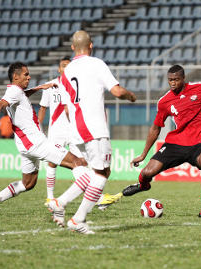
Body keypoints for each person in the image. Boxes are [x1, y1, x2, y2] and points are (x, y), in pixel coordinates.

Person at [0, 62, 106, 234]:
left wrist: (39, 88)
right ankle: (70, 203)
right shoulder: (13, 91)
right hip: (37, 143)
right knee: (77, 162)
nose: (29, 77)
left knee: (28, 183)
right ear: (15, 77)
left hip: (25, 146)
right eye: (26, 75)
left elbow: (22, 95)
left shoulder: (17, 92)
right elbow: (1, 104)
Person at [47, 30, 137, 233]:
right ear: (91, 45)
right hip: (94, 126)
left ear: (72, 48)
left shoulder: (67, 72)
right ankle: (78, 219)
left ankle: (60, 202)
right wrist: (131, 96)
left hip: (76, 127)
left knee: (95, 170)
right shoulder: (96, 64)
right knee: (103, 173)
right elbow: (117, 91)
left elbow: (68, 106)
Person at [119, 64, 201, 218]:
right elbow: (155, 129)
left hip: (198, 142)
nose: (173, 83)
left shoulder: (200, 88)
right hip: (175, 143)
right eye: (170, 80)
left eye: (176, 79)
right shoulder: (164, 102)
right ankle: (143, 185)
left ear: (183, 78)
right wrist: (143, 155)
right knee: (147, 172)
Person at [37, 56, 122, 210]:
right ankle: (50, 196)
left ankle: (96, 197)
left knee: (81, 163)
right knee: (52, 162)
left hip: (74, 130)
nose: (65, 68)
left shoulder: (77, 85)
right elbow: (43, 108)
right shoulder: (51, 86)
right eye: (63, 66)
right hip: (56, 130)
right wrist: (38, 128)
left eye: (68, 66)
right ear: (58, 69)